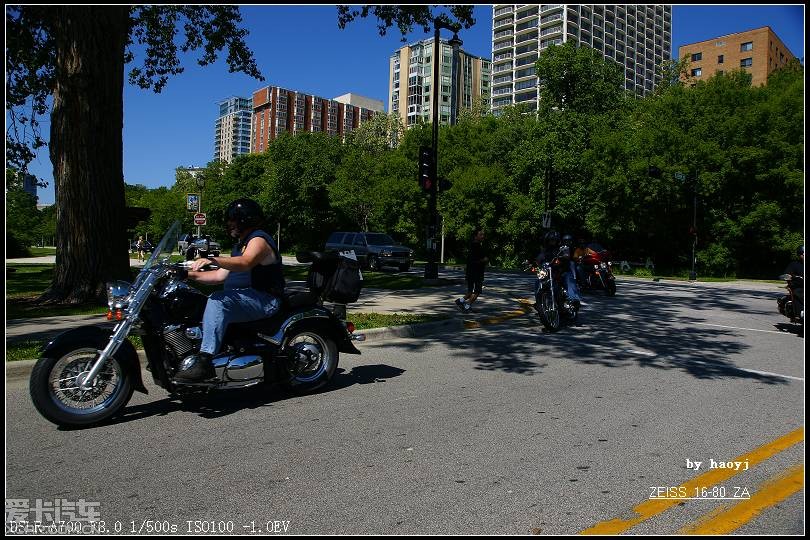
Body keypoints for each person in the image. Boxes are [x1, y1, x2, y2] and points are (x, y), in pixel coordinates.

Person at [174, 198, 285, 382]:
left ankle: (205, 362)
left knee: (218, 301)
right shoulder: (240, 246)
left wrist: (213, 259)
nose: (229, 224)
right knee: (199, 301)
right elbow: (218, 277)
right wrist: (185, 274)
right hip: (245, 299)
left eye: (233, 219)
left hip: (264, 299)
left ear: (245, 219)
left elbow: (245, 262)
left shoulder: (258, 239)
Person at [534, 230, 581, 309]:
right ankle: (539, 302)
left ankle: (574, 299)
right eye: (551, 240)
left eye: (554, 240)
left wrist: (564, 256)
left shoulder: (561, 248)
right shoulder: (545, 250)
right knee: (538, 281)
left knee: (568, 277)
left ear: (558, 240)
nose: (552, 242)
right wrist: (534, 263)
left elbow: (567, 255)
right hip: (549, 272)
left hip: (561, 271)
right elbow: (539, 259)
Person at [455, 228, 489, 313]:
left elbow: (471, 260)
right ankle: (467, 306)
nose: (482, 236)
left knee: (470, 291)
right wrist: (484, 260)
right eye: (480, 234)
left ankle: (460, 301)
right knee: (477, 291)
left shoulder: (472, 245)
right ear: (475, 236)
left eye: (483, 234)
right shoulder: (477, 246)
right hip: (476, 272)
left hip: (470, 271)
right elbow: (475, 260)